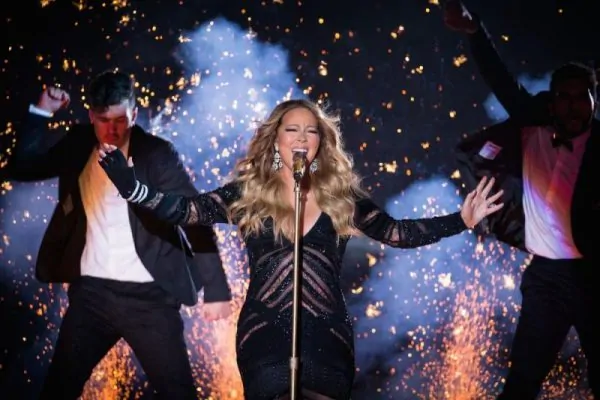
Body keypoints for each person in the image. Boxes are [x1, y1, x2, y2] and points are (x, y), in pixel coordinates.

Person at [97, 98, 503, 399]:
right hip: (265, 333)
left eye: (311, 131)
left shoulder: (342, 198)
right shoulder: (248, 194)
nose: (302, 137)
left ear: (321, 142)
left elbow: (397, 232)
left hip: (327, 333)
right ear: (275, 140)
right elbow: (184, 210)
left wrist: (461, 220)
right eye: (292, 129)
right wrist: (132, 186)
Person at [7, 70, 232, 399]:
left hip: (149, 301)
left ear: (134, 114)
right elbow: (22, 168)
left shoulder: (156, 154)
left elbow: (193, 216)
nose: (112, 130)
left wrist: (217, 290)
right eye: (103, 120)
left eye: (121, 120)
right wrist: (41, 112)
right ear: (91, 116)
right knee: (57, 391)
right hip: (92, 298)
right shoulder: (78, 143)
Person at [445, 2, 600, 398]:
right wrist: (475, 31)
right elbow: (500, 79)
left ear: (594, 100)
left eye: (581, 97)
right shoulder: (533, 123)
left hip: (595, 277)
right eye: (564, 97)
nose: (572, 105)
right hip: (546, 278)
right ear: (552, 100)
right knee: (521, 383)